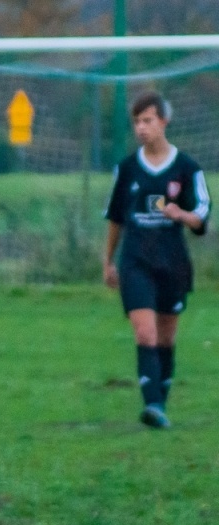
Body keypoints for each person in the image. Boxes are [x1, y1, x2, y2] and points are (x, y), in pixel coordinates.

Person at [104, 90, 210, 429]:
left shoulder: (187, 168)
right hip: (135, 261)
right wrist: (108, 261)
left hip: (172, 263)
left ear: (164, 121)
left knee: (166, 338)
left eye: (147, 120)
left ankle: (159, 404)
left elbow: (202, 218)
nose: (141, 127)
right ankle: (151, 404)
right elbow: (116, 218)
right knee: (145, 333)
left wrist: (182, 215)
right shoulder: (127, 169)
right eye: (137, 122)